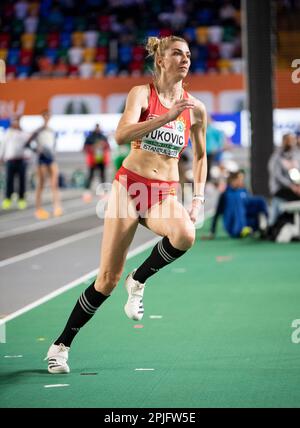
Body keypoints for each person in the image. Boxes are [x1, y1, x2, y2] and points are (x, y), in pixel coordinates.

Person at [45, 35, 207, 374]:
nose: (185, 58)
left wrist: (198, 198)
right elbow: (120, 136)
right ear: (161, 60)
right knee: (106, 279)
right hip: (129, 188)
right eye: (177, 53)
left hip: (164, 192)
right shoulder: (141, 93)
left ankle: (140, 279)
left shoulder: (196, 108)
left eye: (189, 54)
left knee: (185, 234)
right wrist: (166, 117)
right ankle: (61, 345)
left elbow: (202, 156)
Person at [208, 170, 268, 238]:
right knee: (237, 198)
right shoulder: (225, 195)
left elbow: (250, 207)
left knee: (261, 200)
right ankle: (242, 228)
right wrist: (212, 232)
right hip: (232, 225)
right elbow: (217, 214)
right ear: (232, 180)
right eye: (239, 179)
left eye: (242, 179)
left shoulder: (244, 191)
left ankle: (266, 226)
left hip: (247, 223)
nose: (241, 181)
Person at [26, 110, 63, 219]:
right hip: (42, 159)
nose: (47, 117)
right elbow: (28, 144)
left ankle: (57, 207)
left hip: (51, 158)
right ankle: (38, 209)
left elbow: (54, 144)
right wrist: (37, 150)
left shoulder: (52, 131)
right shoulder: (38, 131)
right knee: (41, 184)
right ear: (42, 117)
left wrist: (53, 152)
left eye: (48, 115)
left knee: (54, 184)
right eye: (45, 115)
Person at [0, 116, 29, 210]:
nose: (15, 123)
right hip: (10, 160)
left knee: (22, 181)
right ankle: (8, 199)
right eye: (14, 121)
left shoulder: (24, 133)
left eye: (17, 121)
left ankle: (21, 199)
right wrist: (1, 157)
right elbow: (3, 146)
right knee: (9, 181)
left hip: (21, 160)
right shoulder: (7, 133)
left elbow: (28, 145)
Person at [82, 123, 111, 202]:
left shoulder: (103, 137)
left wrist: (103, 145)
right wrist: (93, 147)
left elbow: (108, 147)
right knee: (90, 176)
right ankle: (87, 193)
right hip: (92, 159)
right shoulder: (90, 137)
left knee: (102, 176)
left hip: (101, 159)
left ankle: (103, 193)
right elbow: (84, 148)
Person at [268, 133, 300, 202]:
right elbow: (277, 175)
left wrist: (297, 186)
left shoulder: (296, 155)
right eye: (290, 140)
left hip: (294, 188)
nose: (293, 142)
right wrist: (291, 186)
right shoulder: (277, 156)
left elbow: (297, 173)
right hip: (280, 188)